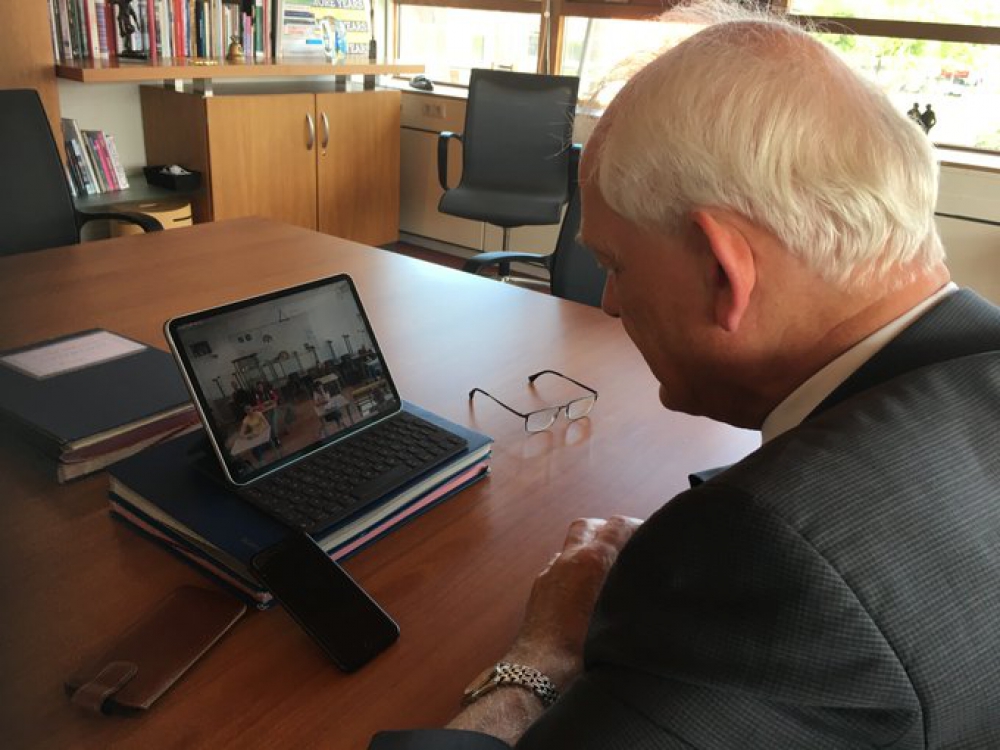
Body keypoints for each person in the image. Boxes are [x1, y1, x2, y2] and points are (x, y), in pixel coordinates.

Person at [370, 2, 1000, 748]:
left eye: (613, 264)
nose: (607, 303)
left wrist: (542, 655)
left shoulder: (769, 556)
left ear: (722, 271)